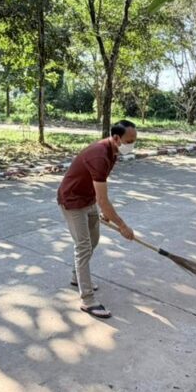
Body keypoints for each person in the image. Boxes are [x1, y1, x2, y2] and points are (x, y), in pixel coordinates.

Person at [57, 120, 137, 319]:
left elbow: (98, 190)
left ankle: (76, 276)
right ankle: (88, 300)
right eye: (129, 141)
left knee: (93, 239)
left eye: (134, 140)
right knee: (83, 247)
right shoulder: (100, 155)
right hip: (72, 200)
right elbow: (104, 200)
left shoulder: (113, 151)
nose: (132, 144)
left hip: (88, 199)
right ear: (116, 138)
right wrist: (122, 226)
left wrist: (104, 212)